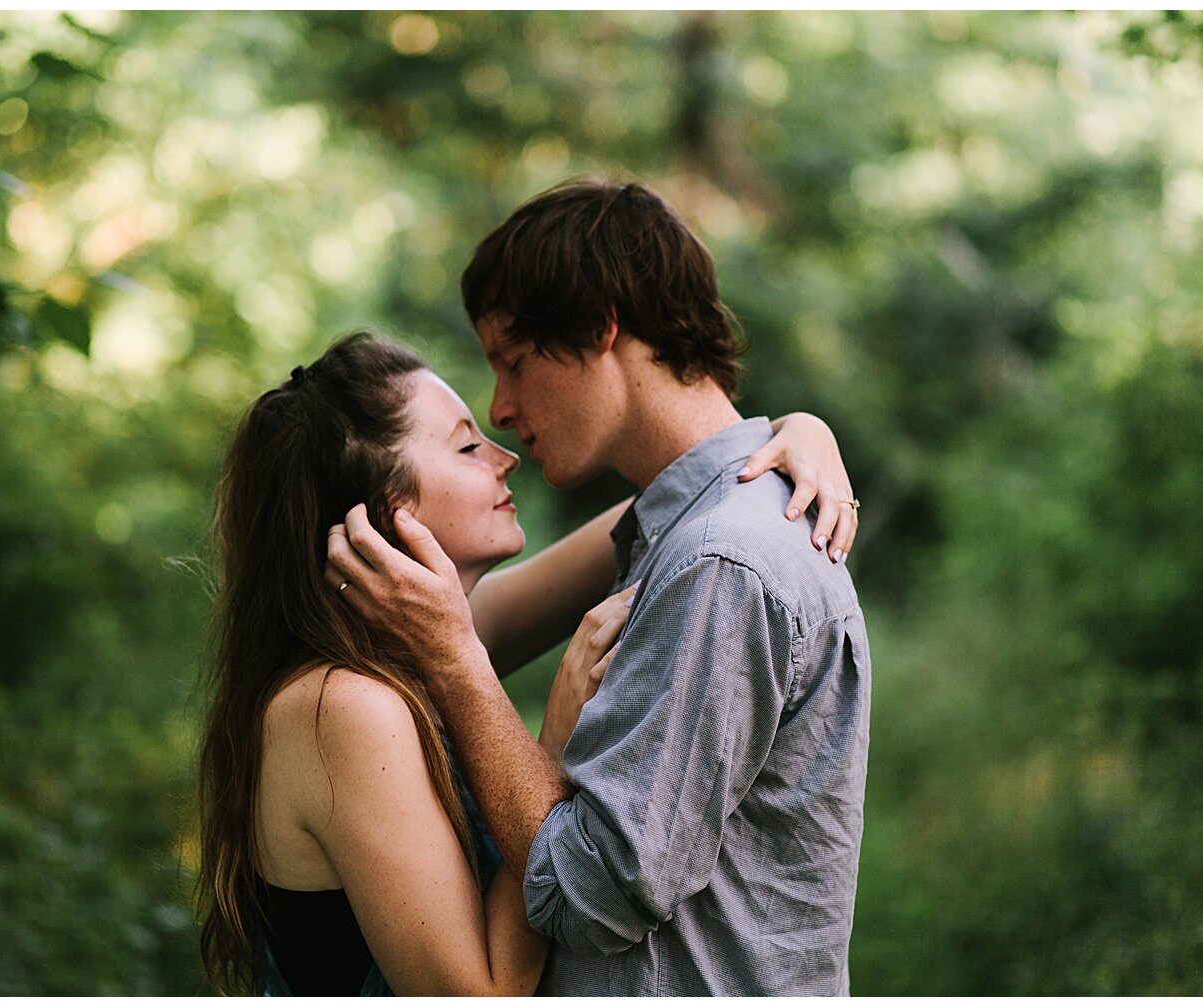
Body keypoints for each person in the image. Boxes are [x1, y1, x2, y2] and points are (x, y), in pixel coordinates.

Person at [327, 180, 871, 995]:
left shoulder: (719, 559)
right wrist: (803, 424)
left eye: (513, 362)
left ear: (599, 326)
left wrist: (455, 662)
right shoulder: (687, 530)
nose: (502, 408)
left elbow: (590, 894)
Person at [195, 329, 857, 995]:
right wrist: (550, 749)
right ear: (387, 510)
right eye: (466, 445)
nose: (504, 457)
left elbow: (686, 496)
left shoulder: (408, 646)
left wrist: (793, 434)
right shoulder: (342, 705)